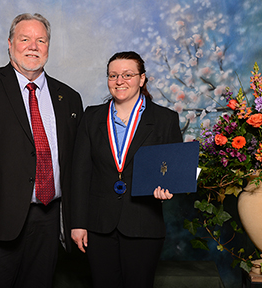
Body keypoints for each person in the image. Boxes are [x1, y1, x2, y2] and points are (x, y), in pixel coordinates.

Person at [0, 13, 83, 288]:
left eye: (41, 40)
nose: (33, 46)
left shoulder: (68, 97)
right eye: (25, 39)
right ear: (10, 44)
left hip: (48, 221)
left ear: (48, 47)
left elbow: (77, 164)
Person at [71, 51, 182, 288]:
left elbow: (172, 171)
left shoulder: (165, 119)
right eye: (113, 75)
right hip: (98, 225)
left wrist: (168, 190)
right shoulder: (91, 117)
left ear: (142, 79)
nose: (119, 81)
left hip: (143, 223)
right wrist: (77, 223)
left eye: (127, 75)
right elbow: (80, 175)